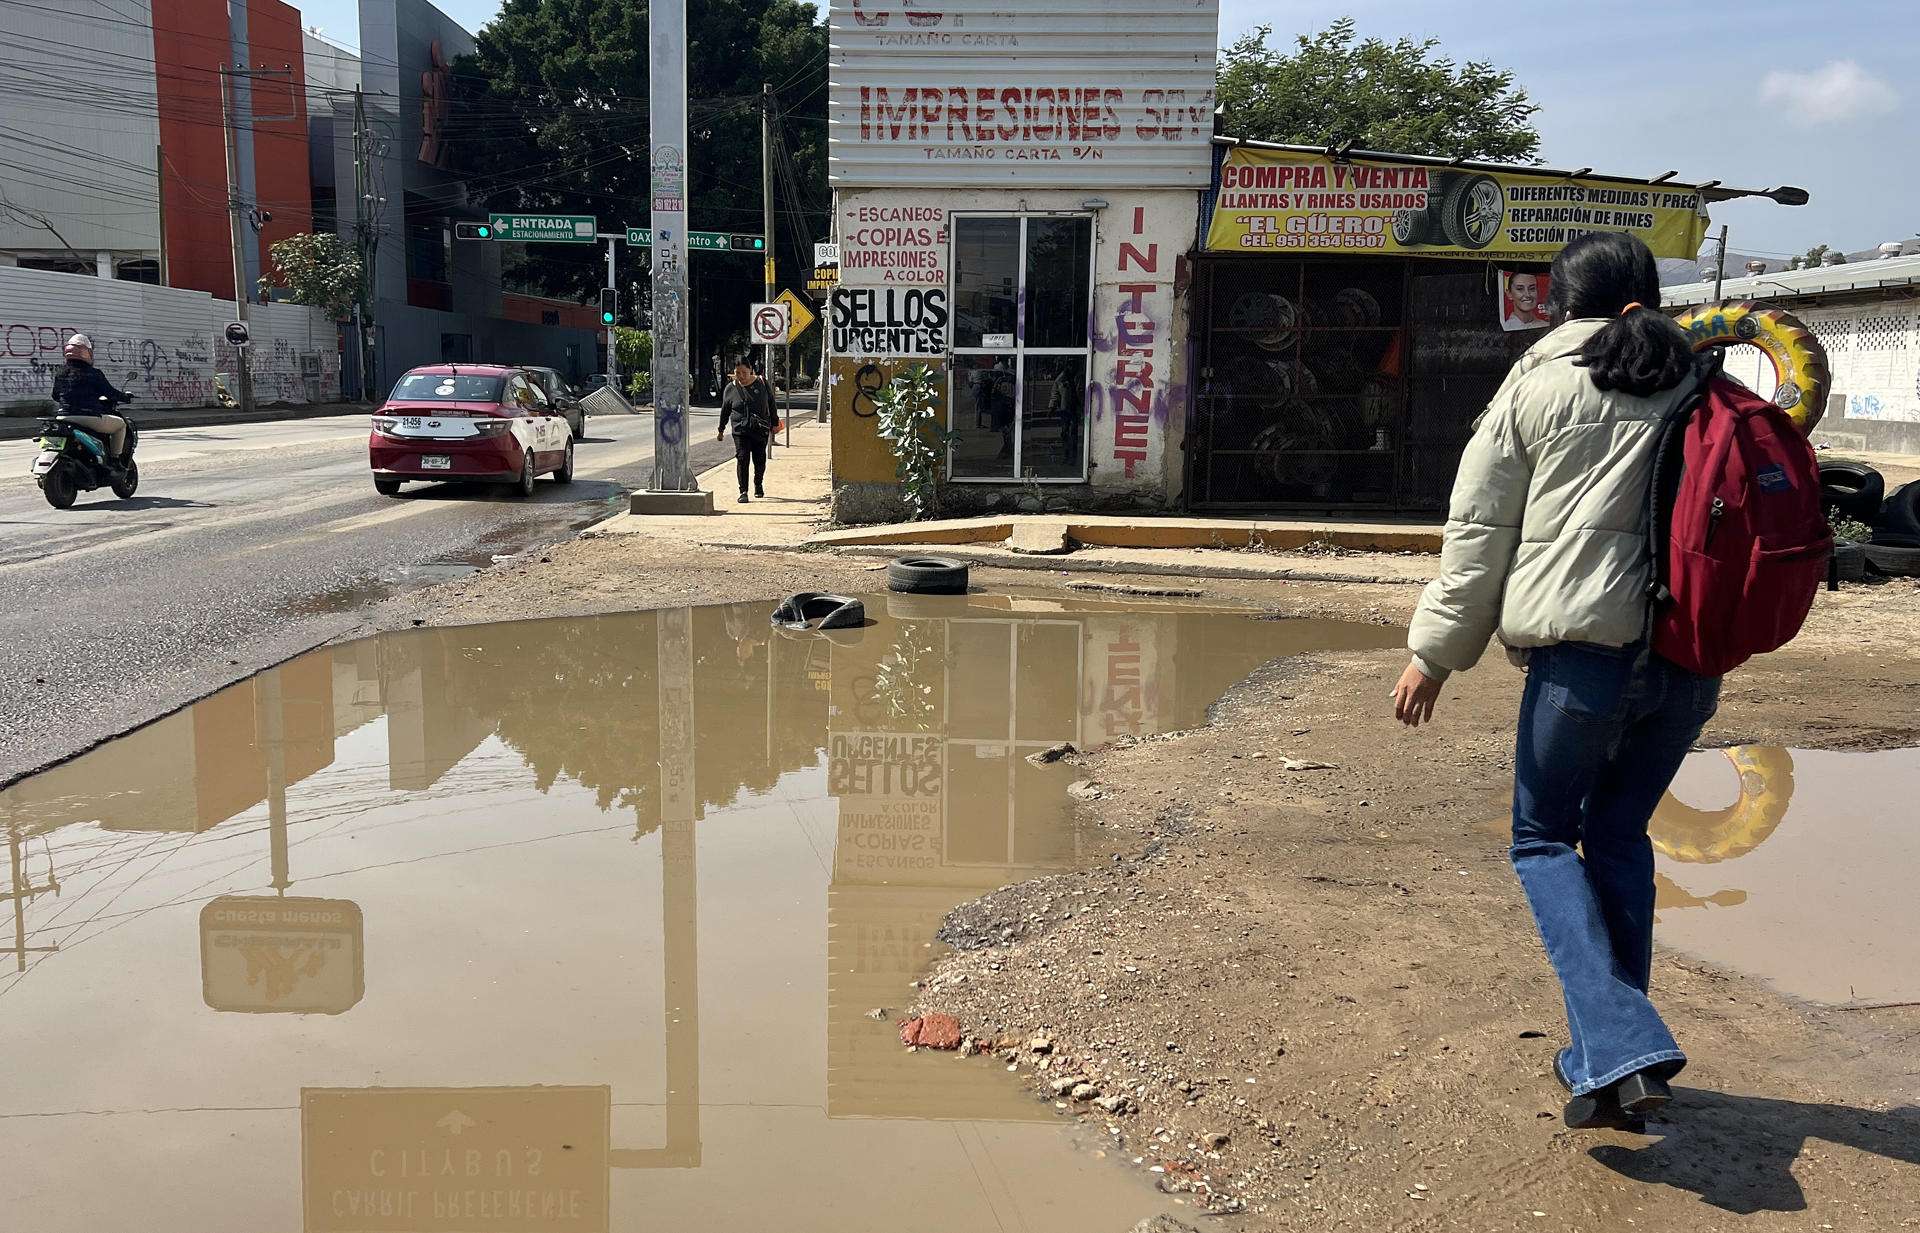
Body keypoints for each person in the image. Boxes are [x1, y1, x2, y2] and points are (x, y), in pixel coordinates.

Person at [1391, 232, 1713, 1133]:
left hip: (1581, 662)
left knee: (1541, 843)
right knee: (1616, 835)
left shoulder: (1536, 386)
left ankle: (1618, 1041)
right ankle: (1614, 1064)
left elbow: (1479, 535)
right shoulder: (1706, 383)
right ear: (1644, 295)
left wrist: (1434, 654)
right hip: (1689, 664)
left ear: (1559, 305)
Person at [51, 333, 133, 463]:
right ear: (87, 352)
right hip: (88, 418)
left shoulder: (61, 373)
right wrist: (125, 397)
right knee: (121, 425)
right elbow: (110, 392)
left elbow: (55, 395)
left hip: (63, 418)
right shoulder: (93, 373)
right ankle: (115, 459)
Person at [717, 357, 775, 503]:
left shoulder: (761, 383)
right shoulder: (730, 388)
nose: (741, 376)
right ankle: (743, 491)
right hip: (740, 430)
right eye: (737, 373)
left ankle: (758, 483)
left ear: (751, 370)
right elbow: (725, 410)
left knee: (759, 460)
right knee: (742, 459)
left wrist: (774, 423)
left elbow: (771, 403)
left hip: (759, 430)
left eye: (744, 372)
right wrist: (721, 429)